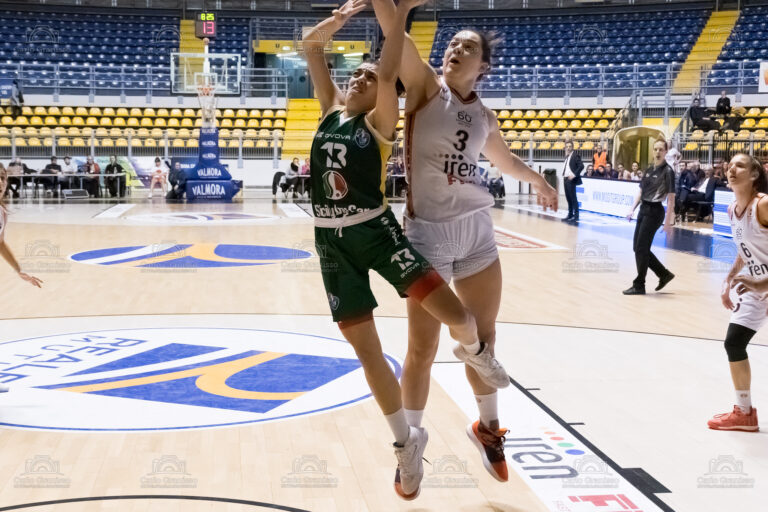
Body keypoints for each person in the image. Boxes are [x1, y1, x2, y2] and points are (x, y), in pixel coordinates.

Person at [303, 0, 508, 499]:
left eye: (370, 76)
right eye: (355, 73)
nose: (358, 78)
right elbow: (311, 47)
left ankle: (477, 354)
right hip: (332, 243)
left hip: (378, 232)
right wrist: (335, 24)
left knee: (460, 320)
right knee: (368, 350)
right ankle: (405, 445)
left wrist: (401, 13)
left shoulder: (382, 120)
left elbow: (393, 59)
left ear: (385, 92)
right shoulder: (330, 106)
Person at [372, 0, 558, 486]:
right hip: (426, 235)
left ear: (484, 68)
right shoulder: (425, 87)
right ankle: (410, 443)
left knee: (485, 342)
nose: (456, 48)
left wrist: (539, 181)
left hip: (477, 231)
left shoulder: (485, 116)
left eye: (468, 47)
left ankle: (489, 428)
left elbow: (507, 161)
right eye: (454, 43)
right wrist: (401, 8)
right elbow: (394, 30)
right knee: (422, 349)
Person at [709, 154, 768, 432]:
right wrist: (729, 278)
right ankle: (744, 413)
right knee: (734, 343)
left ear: (754, 175)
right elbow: (746, 251)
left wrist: (761, 283)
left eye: (740, 165)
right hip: (754, 287)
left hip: (761, 285)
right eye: (730, 165)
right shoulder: (732, 209)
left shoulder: (764, 205)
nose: (732, 168)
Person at [0, 164, 43, 391]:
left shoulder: (2, 212)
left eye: (2, 177)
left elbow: (0, 244)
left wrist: (19, 270)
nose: (0, 182)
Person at [623, 139, 676, 295]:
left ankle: (639, 284)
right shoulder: (648, 169)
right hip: (643, 209)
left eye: (661, 149)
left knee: (641, 248)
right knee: (638, 248)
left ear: (666, 152)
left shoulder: (668, 171)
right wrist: (632, 209)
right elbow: (641, 191)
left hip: (655, 211)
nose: (658, 152)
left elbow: (671, 198)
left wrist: (668, 222)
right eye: (656, 149)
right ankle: (664, 274)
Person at [561, 140, 584, 222]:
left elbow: (581, 166)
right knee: (568, 198)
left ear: (573, 147)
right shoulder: (567, 156)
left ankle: (576, 216)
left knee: (573, 198)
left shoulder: (575, 155)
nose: (568, 148)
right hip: (565, 179)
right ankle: (570, 214)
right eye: (567, 146)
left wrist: (574, 175)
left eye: (570, 146)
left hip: (571, 179)